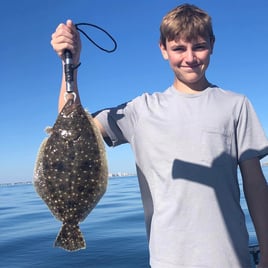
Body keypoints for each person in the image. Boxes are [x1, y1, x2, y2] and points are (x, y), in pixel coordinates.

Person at [51, 4, 268, 268]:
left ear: (212, 44)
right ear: (163, 49)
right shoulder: (140, 110)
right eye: (178, 48)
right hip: (168, 260)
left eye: (198, 46)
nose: (190, 57)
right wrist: (69, 65)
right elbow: (70, 129)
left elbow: (255, 184)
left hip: (232, 258)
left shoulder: (236, 105)